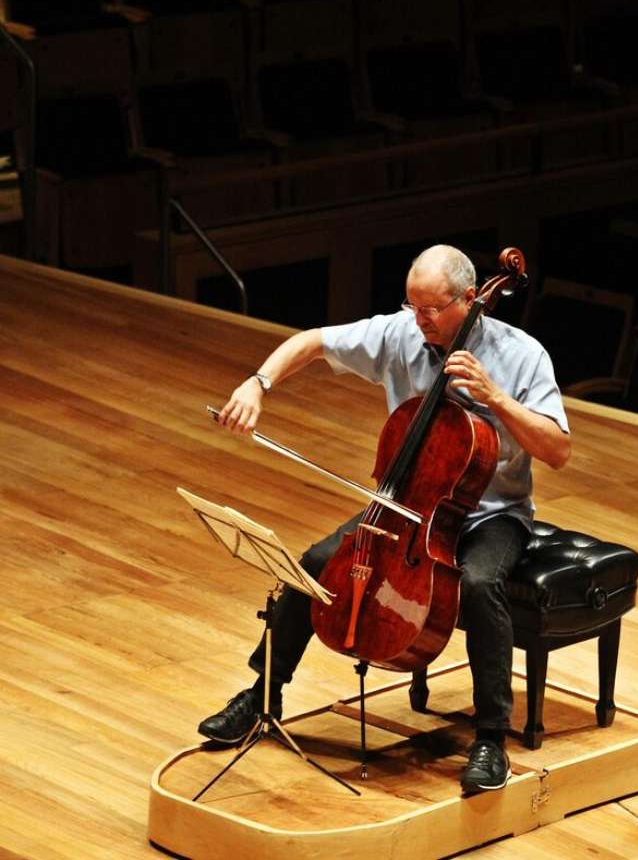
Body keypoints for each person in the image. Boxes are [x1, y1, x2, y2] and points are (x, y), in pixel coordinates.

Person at [199, 244, 571, 794]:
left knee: (480, 581)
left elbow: (558, 449)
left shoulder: (522, 355)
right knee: (316, 563)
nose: (417, 321)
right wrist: (258, 382)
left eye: (430, 310)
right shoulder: (402, 332)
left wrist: (494, 397)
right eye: (411, 306)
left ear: (471, 301)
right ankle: (262, 694)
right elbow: (313, 342)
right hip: (409, 503)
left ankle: (490, 738)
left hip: (493, 513)